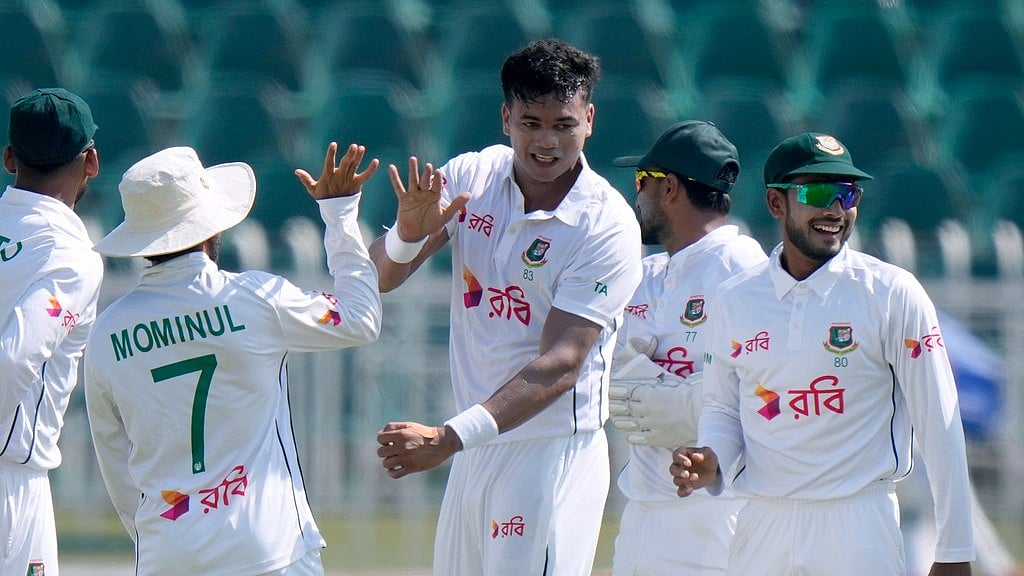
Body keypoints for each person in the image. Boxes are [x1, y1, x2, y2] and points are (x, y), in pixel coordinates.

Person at [372, 38, 643, 575]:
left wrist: (448, 437)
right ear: (505, 118)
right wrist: (405, 235)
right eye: (531, 122)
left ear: (589, 120)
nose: (547, 142)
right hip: (475, 447)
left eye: (563, 125)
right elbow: (381, 277)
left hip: (548, 451)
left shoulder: (605, 224)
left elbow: (564, 363)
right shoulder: (473, 176)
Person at [670, 132, 976, 575]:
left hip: (857, 525)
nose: (836, 209)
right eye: (817, 192)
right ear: (777, 204)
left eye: (847, 193)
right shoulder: (734, 298)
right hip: (761, 523)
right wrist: (711, 458)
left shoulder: (891, 292)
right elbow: (722, 406)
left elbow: (940, 426)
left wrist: (954, 550)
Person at [83, 142, 382, 575]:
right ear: (210, 226)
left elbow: (114, 462)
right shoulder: (256, 299)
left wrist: (165, 537)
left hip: (166, 554)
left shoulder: (106, 334)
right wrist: (339, 213)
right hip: (267, 549)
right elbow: (361, 319)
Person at [606, 120, 767, 575]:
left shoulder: (742, 269)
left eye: (642, 182)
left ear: (670, 188)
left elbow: (769, 387)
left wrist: (687, 404)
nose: (636, 196)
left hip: (717, 512)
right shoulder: (647, 272)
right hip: (643, 504)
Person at [0, 87, 103, 576]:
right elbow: (14, 361)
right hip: (10, 482)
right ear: (91, 161)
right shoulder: (71, 257)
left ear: (8, 158)